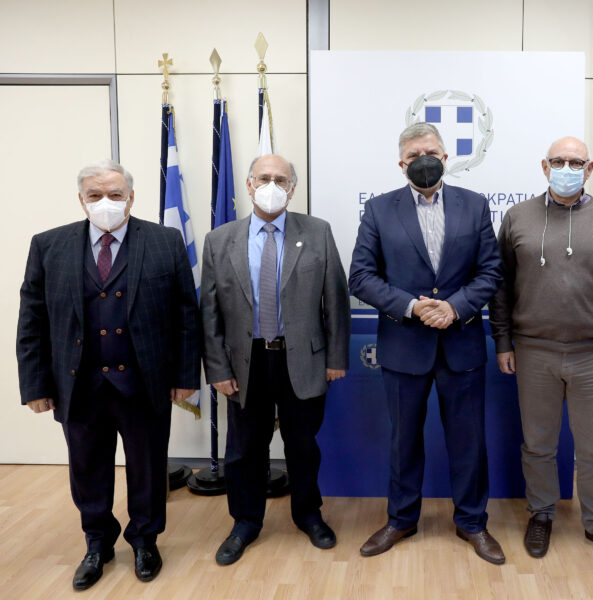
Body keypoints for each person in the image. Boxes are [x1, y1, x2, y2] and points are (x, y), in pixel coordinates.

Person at [16, 160, 202, 590]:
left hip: (144, 383)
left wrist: (185, 376)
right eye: (95, 195)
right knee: (87, 469)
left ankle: (145, 540)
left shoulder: (164, 241)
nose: (106, 202)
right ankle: (97, 542)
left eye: (115, 195)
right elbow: (32, 321)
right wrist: (36, 384)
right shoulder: (48, 245)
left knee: (148, 468)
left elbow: (185, 316)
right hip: (78, 384)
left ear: (131, 198)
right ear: (81, 199)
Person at [349, 122, 505, 564]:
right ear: (401, 164)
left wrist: (454, 307)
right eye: (415, 155)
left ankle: (472, 522)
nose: (424, 161)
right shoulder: (379, 210)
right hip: (404, 346)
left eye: (432, 153)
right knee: (404, 442)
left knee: (469, 442)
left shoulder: (475, 206)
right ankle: (401, 519)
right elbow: (361, 276)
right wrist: (412, 306)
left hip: (461, 344)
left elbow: (491, 271)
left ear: (446, 157)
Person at [488, 136, 593, 564]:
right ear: (544, 166)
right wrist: (503, 341)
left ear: (589, 169)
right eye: (558, 161)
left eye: (576, 162)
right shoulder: (518, 217)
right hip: (533, 351)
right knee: (538, 444)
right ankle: (541, 514)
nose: (566, 168)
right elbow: (500, 286)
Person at [201, 153, 351, 566]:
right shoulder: (220, 240)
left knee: (303, 446)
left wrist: (336, 357)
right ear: (249, 185)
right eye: (264, 178)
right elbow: (209, 313)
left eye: (281, 179)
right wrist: (217, 369)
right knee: (244, 449)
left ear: (292, 188)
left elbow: (336, 300)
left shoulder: (317, 232)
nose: (272, 185)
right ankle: (245, 522)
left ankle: (309, 515)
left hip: (303, 360)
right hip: (245, 363)